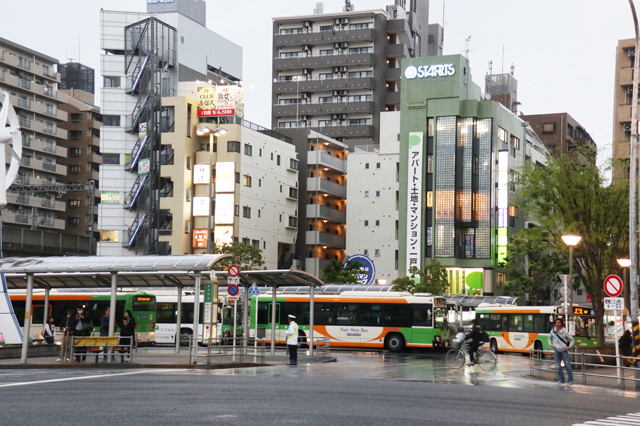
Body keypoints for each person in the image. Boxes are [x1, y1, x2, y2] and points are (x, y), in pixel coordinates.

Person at [548, 318, 574, 384]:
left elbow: (572, 339)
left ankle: (570, 379)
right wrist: (550, 344)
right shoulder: (553, 331)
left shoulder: (565, 332)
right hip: (556, 350)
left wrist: (569, 347)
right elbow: (549, 337)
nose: (557, 324)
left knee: (567, 365)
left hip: (564, 350)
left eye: (559, 322)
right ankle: (561, 379)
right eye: (556, 322)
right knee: (558, 366)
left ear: (561, 323)